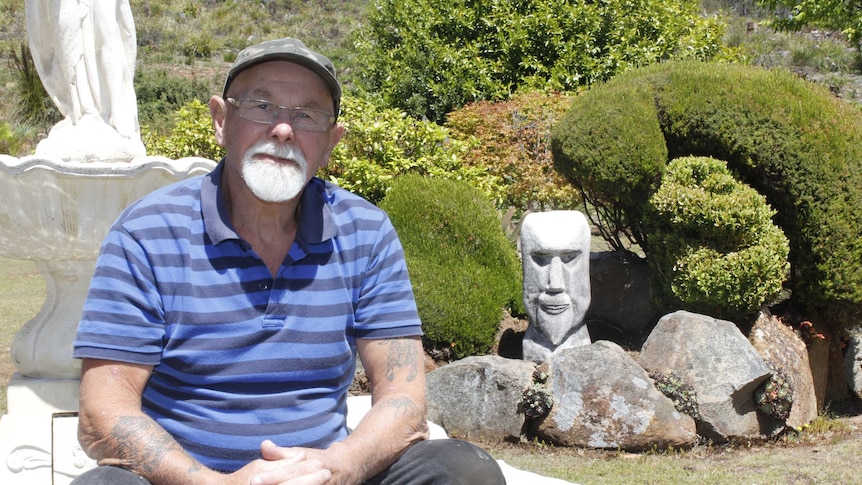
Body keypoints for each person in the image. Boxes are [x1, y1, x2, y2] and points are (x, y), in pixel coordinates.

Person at [71, 37, 507, 485]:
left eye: (307, 115)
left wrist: (340, 465)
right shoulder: (147, 232)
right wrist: (214, 484)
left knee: (463, 471)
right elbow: (105, 411)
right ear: (221, 120)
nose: (283, 129)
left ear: (331, 140)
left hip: (325, 475)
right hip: (189, 480)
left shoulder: (365, 231)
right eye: (262, 106)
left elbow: (404, 397)